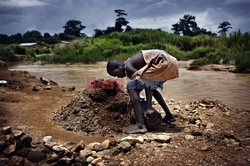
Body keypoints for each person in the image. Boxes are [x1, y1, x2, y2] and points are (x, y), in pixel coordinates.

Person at [106, 49, 179, 134]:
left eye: (115, 74)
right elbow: (148, 82)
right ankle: (169, 115)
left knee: (131, 87)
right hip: (171, 62)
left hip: (162, 61)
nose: (117, 77)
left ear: (118, 67)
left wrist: (148, 107)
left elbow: (147, 80)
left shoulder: (128, 66)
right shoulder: (131, 65)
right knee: (151, 89)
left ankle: (140, 125)